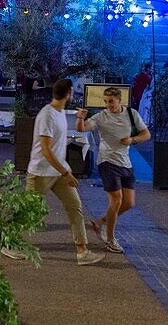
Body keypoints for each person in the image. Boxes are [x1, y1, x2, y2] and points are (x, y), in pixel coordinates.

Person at [11, 78, 104, 265]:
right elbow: (45, 150)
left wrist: (63, 171)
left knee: (75, 206)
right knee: (29, 212)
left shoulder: (60, 112)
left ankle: (82, 251)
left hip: (58, 172)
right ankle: (10, 244)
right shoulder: (47, 115)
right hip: (40, 172)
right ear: (68, 94)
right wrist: (66, 172)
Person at [76, 86, 151, 253]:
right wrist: (80, 118)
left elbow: (146, 134)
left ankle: (101, 222)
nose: (108, 105)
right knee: (116, 200)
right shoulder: (101, 117)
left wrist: (132, 139)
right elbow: (82, 128)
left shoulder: (131, 114)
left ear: (119, 100)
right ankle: (110, 239)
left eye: (111, 101)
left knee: (129, 203)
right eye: (105, 101)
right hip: (107, 161)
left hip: (125, 162)